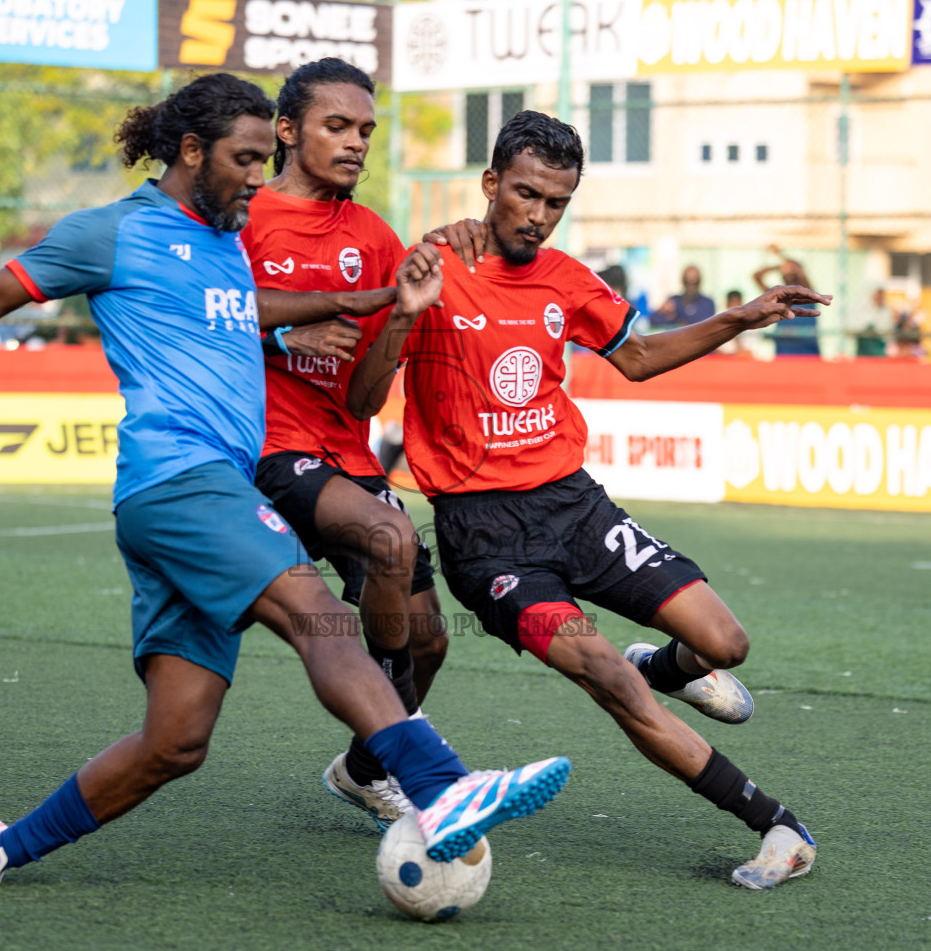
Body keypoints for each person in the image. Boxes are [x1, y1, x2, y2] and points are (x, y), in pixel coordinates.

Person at [0, 73, 568, 892]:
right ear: (193, 152)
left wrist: (380, 295)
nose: (257, 175)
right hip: (182, 480)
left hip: (186, 500)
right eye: (244, 159)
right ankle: (439, 785)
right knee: (317, 614)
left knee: (174, 742)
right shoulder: (115, 232)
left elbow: (241, 303)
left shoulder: (224, 239)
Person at [351, 111, 825, 890]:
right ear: (491, 184)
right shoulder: (431, 266)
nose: (537, 215)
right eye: (526, 194)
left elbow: (636, 358)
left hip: (576, 508)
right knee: (608, 677)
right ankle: (777, 824)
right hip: (488, 540)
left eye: (556, 202)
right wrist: (405, 307)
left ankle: (669, 665)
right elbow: (369, 397)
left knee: (725, 643)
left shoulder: (566, 278)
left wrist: (739, 318)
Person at [239, 58, 451, 830]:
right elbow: (198, 312)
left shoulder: (374, 237)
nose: (356, 142)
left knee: (429, 645)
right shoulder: (244, 216)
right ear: (287, 132)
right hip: (264, 448)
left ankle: (365, 769)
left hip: (346, 454)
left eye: (365, 129)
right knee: (391, 536)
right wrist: (285, 328)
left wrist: (401, 316)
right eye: (337, 126)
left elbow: (365, 399)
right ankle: (404, 752)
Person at [752, 245, 818, 355]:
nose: (788, 273)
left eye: (791, 272)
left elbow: (798, 269)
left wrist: (781, 255)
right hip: (784, 351)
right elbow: (756, 276)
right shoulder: (777, 295)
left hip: (807, 352)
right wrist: (777, 267)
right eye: (785, 273)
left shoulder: (808, 294)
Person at [647, 265, 715, 330]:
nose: (691, 285)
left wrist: (679, 323)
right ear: (682, 281)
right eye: (687, 281)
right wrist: (661, 311)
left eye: (695, 281)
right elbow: (654, 320)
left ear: (700, 281)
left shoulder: (707, 303)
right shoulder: (674, 301)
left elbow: (706, 324)